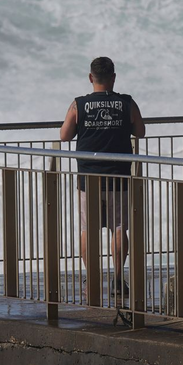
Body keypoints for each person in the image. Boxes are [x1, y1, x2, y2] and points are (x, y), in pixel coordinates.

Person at [60, 56, 145, 298]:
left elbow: (64, 135)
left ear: (90, 78)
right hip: (118, 175)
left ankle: (93, 280)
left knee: (89, 229)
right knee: (119, 228)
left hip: (89, 177)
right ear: (114, 78)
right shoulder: (127, 103)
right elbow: (140, 131)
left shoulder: (79, 105)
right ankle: (118, 280)